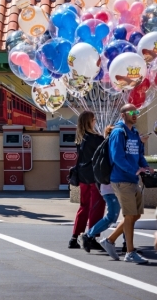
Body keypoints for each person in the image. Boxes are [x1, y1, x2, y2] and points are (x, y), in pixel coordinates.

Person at [99, 104, 152, 264]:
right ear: (123, 115)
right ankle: (130, 252)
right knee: (129, 215)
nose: (135, 114)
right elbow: (117, 157)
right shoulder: (118, 132)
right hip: (121, 179)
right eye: (131, 112)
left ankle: (109, 240)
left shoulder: (134, 133)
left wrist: (145, 166)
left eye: (136, 112)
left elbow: (138, 154)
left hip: (132, 179)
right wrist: (133, 169)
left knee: (136, 215)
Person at [70, 110, 104, 250]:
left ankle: (74, 237)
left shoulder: (80, 138)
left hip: (83, 176)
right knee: (97, 206)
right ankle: (92, 237)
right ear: (90, 121)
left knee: (84, 206)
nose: (95, 121)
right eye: (94, 119)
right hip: (95, 177)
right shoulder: (96, 138)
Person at [85, 125, 121, 252]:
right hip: (110, 187)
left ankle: (128, 244)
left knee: (123, 215)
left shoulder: (110, 148)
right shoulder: (109, 150)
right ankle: (88, 235)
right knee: (112, 216)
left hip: (113, 187)